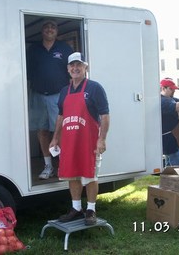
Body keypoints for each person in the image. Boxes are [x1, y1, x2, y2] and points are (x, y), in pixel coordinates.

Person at [49, 52, 110, 226]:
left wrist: (102, 139)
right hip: (69, 141)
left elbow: (105, 116)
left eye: (79, 65)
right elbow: (60, 117)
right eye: (72, 65)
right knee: (72, 174)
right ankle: (76, 209)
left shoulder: (94, 88)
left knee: (90, 175)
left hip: (89, 142)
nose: (75, 68)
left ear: (85, 67)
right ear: (68, 69)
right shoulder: (64, 91)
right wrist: (55, 138)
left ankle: (91, 209)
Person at [27, 19, 73, 179]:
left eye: (53, 26)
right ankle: (48, 167)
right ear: (42, 31)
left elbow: (73, 71)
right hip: (38, 95)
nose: (50, 29)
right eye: (46, 27)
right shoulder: (34, 49)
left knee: (59, 130)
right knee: (42, 131)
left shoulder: (64, 48)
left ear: (57, 31)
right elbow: (27, 71)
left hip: (59, 96)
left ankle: (63, 165)